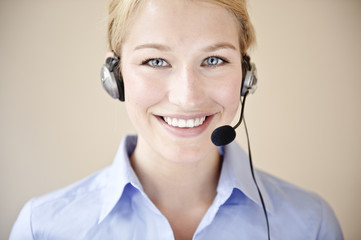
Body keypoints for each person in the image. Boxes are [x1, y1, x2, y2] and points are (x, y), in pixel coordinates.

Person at [10, 0, 343, 239]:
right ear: (115, 76)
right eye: (156, 61)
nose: (187, 97)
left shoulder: (310, 224)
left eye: (213, 59)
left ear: (246, 76)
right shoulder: (43, 227)